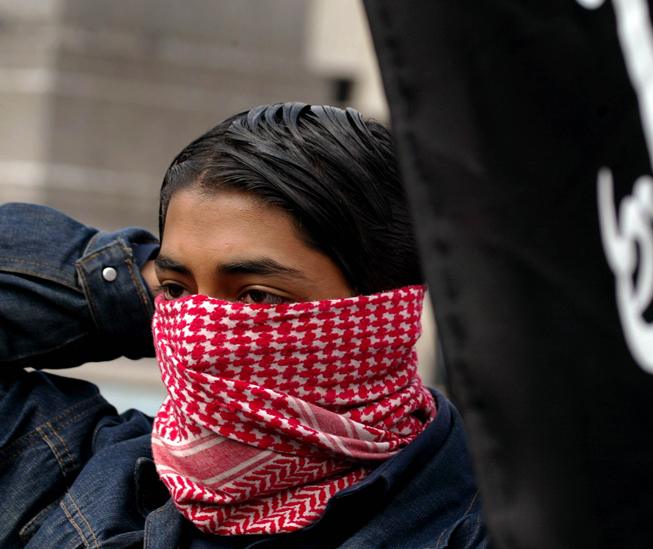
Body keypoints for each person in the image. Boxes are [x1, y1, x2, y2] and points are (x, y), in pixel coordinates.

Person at [0, 103, 487, 548]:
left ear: (380, 322)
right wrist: (142, 281)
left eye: (256, 295)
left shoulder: (490, 527)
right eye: (177, 292)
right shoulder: (66, 469)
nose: (199, 331)